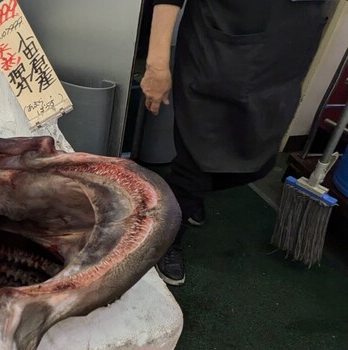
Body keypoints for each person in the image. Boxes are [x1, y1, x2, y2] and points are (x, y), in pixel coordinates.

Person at [141, 0, 333, 285]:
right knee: (195, 159)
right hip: (220, 45)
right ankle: (168, 238)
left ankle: (194, 195)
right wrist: (156, 64)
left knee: (258, 161)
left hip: (283, 58)